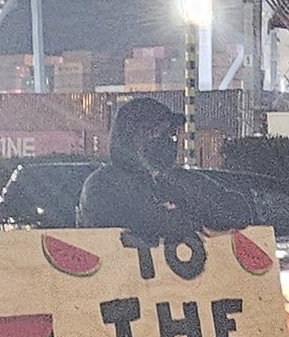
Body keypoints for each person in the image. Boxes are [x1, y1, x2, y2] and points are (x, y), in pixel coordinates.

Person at [76, 95, 251, 243]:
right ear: (130, 136)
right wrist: (196, 221)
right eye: (154, 132)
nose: (167, 141)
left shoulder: (181, 179)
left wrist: (174, 186)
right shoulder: (103, 184)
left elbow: (238, 212)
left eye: (171, 134)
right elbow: (151, 223)